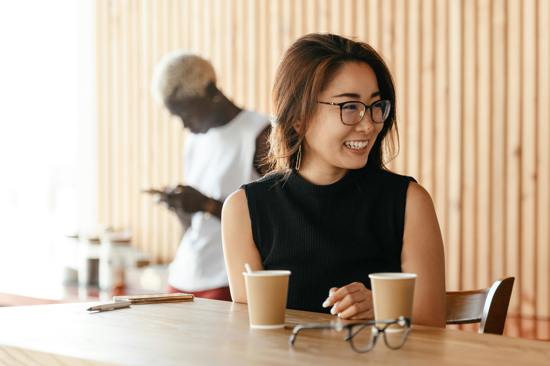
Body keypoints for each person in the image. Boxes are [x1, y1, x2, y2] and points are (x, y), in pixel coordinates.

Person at [221, 33, 446, 326]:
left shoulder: (409, 201)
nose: (369, 125)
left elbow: (432, 324)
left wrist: (381, 306)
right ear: (298, 117)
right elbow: (250, 327)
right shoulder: (244, 209)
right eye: (349, 107)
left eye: (376, 106)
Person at [151, 51, 270, 300]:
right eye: (178, 117)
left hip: (226, 278)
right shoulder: (195, 141)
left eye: (187, 114)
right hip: (184, 272)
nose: (184, 125)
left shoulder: (259, 134)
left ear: (212, 93)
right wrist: (183, 209)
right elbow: (194, 227)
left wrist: (205, 204)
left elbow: (275, 221)